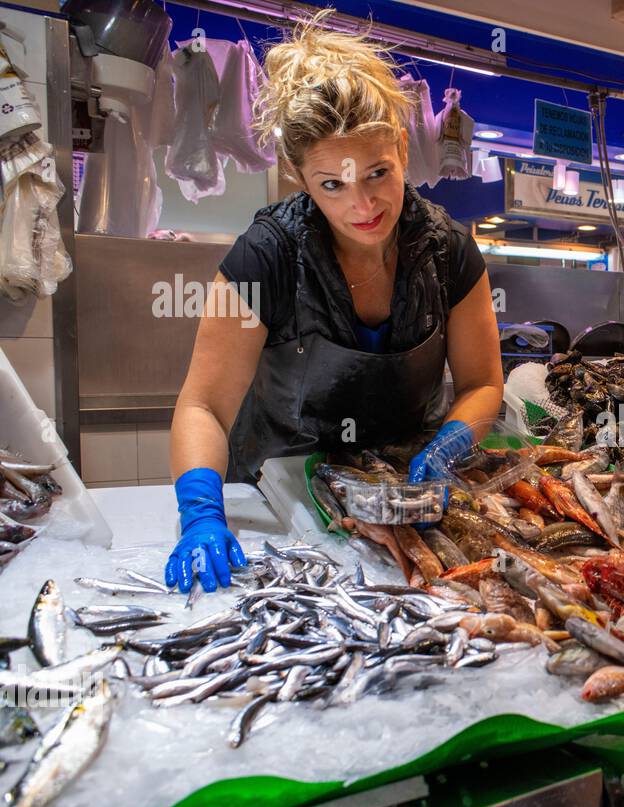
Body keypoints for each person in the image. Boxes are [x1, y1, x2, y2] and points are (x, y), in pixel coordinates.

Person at [166, 13, 503, 593]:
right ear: (298, 175)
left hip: (407, 502)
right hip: (283, 505)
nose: (364, 203)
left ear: (401, 147)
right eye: (332, 185)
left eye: (378, 173)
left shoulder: (448, 251)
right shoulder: (265, 257)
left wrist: (448, 447)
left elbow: (481, 384)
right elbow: (204, 407)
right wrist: (201, 513)